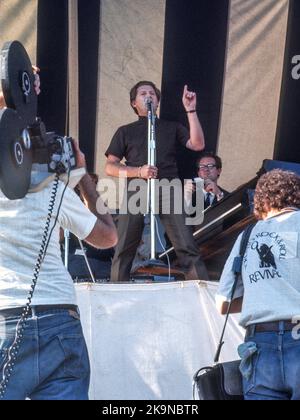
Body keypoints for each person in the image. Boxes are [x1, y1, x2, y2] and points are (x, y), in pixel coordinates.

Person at [0, 86, 118, 400]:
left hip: (4, 319)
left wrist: (9, 89)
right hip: (58, 317)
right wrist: (81, 176)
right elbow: (108, 237)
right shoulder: (53, 191)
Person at [105, 81, 209, 282]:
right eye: (143, 93)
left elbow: (198, 144)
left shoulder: (171, 127)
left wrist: (191, 110)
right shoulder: (125, 131)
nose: (148, 96)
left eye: (152, 93)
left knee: (185, 243)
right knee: (125, 245)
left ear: (157, 101)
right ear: (134, 103)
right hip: (137, 185)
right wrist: (139, 171)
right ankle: (116, 292)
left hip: (168, 186)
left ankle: (200, 291)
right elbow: (110, 167)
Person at [216, 169, 300, 400]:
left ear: (260, 200)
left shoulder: (247, 235)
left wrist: (264, 294)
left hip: (259, 347)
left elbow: (223, 303)